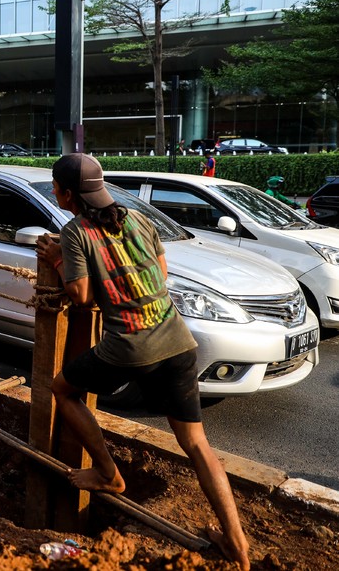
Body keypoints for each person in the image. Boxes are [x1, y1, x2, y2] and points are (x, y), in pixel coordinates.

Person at [34, 153, 249, 570]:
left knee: (63, 388)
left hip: (130, 347)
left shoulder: (76, 231)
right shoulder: (136, 218)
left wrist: (58, 258)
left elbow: (80, 297)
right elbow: (161, 273)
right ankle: (237, 546)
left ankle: (106, 472)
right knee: (197, 445)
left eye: (58, 190)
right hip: (179, 342)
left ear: (64, 194)